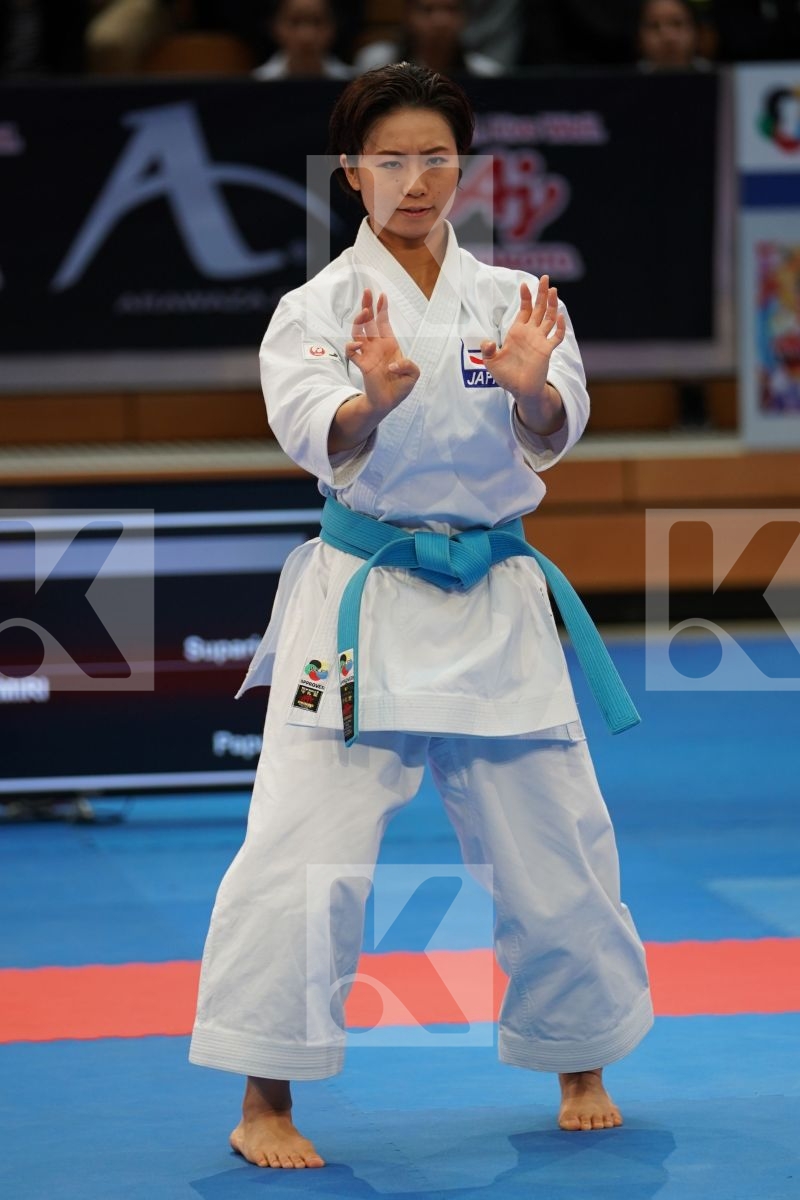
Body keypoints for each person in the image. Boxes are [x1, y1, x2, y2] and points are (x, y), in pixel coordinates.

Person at [189, 62, 653, 1169]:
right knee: (302, 851)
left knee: (557, 845)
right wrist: (371, 402)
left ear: (463, 164)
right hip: (361, 605)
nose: (414, 179)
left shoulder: (513, 301)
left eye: (434, 157)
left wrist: (536, 387)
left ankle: (578, 1056)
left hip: (494, 595)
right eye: (390, 159)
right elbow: (316, 430)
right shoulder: (314, 309)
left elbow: (554, 422)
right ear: (350, 171)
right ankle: (265, 1099)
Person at [354, 0, 502, 77]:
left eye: (451, 9)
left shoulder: (487, 73)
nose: (440, 21)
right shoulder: (376, 63)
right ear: (407, 16)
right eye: (427, 9)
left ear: (465, 18)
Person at [252, 0, 352, 80]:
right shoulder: (257, 83)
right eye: (294, 22)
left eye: (317, 21)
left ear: (334, 26)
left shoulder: (350, 84)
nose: (306, 36)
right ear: (275, 26)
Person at [636, 0, 709, 71]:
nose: (668, 37)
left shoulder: (716, 78)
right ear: (639, 37)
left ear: (696, 31)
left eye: (677, 23)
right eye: (654, 26)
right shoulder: (628, 80)